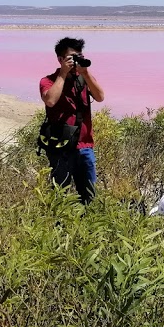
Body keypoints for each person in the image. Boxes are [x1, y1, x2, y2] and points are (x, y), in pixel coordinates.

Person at [39, 36, 105, 204]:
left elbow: (100, 97)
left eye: (79, 57)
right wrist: (63, 73)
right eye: (72, 57)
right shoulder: (48, 81)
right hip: (60, 147)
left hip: (84, 146)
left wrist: (86, 73)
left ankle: (88, 224)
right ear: (60, 59)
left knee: (89, 195)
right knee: (60, 196)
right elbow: (50, 100)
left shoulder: (83, 79)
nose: (76, 61)